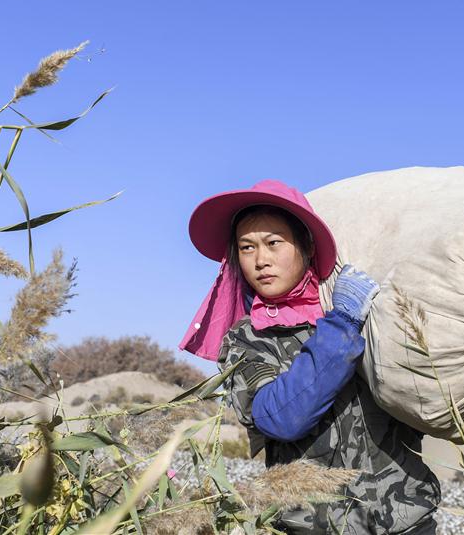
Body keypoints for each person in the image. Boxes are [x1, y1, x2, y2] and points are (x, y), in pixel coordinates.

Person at [179, 179, 441, 534]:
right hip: (314, 527)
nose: (260, 261)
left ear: (306, 247)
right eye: (246, 247)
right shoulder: (247, 340)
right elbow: (280, 418)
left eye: (274, 243)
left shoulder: (364, 309)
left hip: (407, 518)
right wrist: (343, 324)